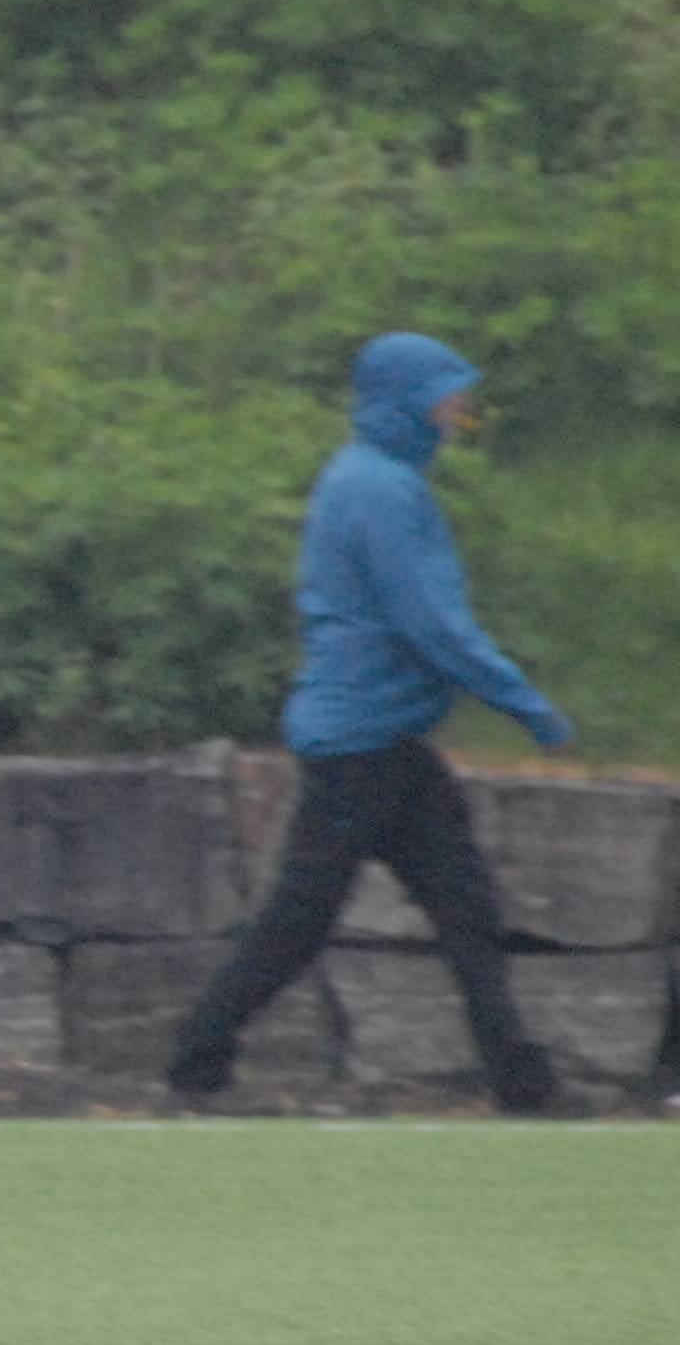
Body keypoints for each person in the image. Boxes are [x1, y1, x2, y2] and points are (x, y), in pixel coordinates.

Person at [168, 333, 576, 1115]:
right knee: (300, 920)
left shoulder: (371, 477)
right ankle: (195, 1063)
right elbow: (431, 622)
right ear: (406, 401)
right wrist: (525, 703)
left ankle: (524, 1085)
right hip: (359, 746)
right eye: (446, 395)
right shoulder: (381, 490)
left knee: (467, 915)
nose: (458, 410)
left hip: (386, 742)